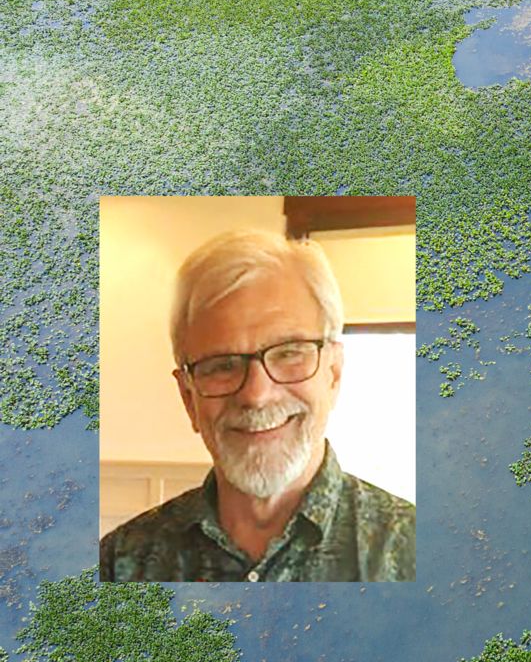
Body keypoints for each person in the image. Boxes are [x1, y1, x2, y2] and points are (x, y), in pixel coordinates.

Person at [100, 229, 415, 582]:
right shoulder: (120, 563)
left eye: (289, 353)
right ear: (188, 398)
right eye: (222, 365)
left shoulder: (417, 554)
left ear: (334, 374)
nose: (256, 394)